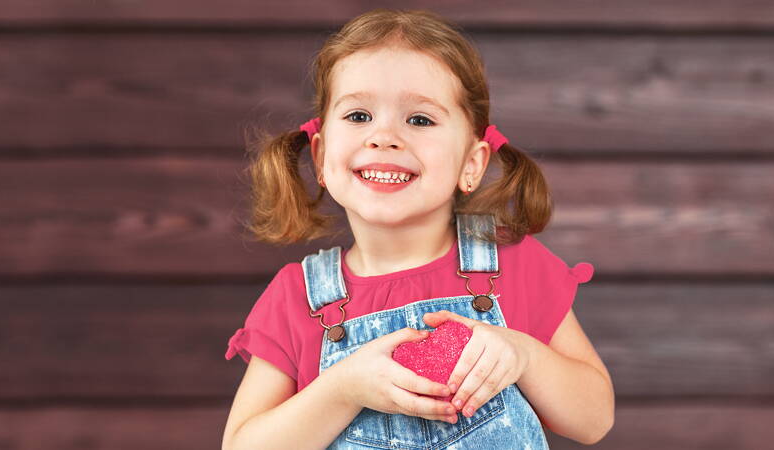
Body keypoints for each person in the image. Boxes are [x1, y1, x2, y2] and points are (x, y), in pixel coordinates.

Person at [221, 9, 615, 449]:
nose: (383, 136)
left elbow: (594, 420)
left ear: (471, 164)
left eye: (420, 120)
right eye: (358, 116)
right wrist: (342, 389)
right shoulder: (296, 299)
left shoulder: (513, 265)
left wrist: (524, 355)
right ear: (321, 157)